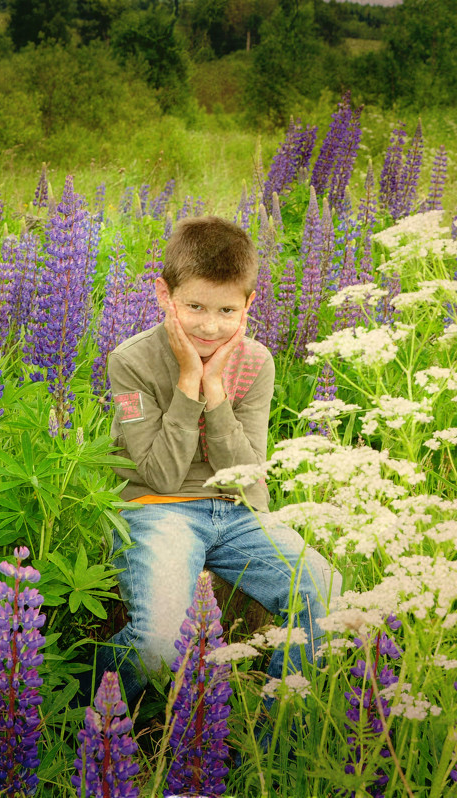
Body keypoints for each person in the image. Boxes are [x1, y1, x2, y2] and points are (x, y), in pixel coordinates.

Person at [93, 215, 342, 705]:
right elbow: (160, 476)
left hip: (236, 513)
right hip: (155, 509)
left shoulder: (257, 362)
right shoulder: (132, 360)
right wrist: (190, 383)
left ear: (249, 304)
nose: (210, 325)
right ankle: (82, 704)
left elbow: (248, 481)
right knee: (160, 645)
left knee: (328, 595)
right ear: (164, 295)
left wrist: (217, 392)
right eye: (195, 306)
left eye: (227, 310)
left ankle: (275, 737)